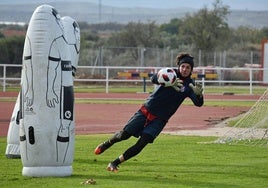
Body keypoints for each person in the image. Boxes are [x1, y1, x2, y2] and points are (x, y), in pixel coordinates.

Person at [94, 52, 204, 172]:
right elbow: (153, 78)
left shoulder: (190, 85)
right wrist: (169, 81)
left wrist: (199, 95)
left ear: (191, 69)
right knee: (124, 135)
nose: (184, 69)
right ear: (179, 66)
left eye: (188, 67)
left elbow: (198, 103)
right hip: (146, 110)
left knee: (142, 143)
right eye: (183, 66)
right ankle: (107, 143)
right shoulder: (170, 73)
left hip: (160, 119)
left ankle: (114, 163)